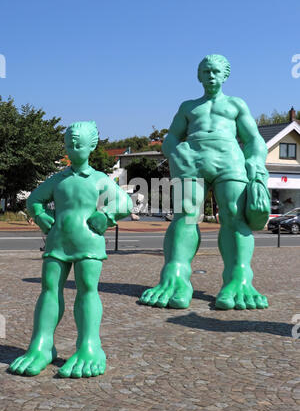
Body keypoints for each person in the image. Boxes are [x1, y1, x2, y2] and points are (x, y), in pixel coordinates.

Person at [140, 54, 269, 310]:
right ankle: (175, 276)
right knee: (185, 215)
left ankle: (239, 277)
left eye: (215, 71)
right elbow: (171, 139)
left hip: (229, 159)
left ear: (225, 75)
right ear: (199, 76)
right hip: (193, 159)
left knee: (234, 215)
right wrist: (177, 154)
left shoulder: (235, 105)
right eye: (205, 71)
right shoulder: (188, 106)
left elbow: (254, 139)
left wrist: (255, 162)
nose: (210, 76)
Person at [9, 121, 132, 377]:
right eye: (68, 144)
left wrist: (107, 217)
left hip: (88, 242)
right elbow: (34, 200)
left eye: (78, 144)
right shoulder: (58, 179)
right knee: (49, 290)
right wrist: (42, 218)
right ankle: (42, 345)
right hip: (57, 242)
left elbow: (125, 203)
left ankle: (90, 345)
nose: (73, 148)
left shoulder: (99, 179)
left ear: (91, 146)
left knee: (87, 290)